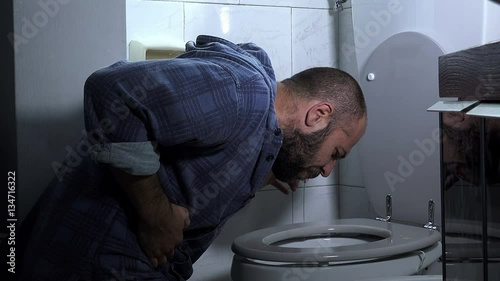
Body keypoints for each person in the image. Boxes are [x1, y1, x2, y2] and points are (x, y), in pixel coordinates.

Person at [18, 35, 367, 280]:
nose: (326, 170)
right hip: (90, 261)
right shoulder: (243, 94)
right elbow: (112, 92)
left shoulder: (258, 126)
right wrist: (156, 215)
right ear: (318, 114)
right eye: (335, 153)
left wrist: (266, 160)